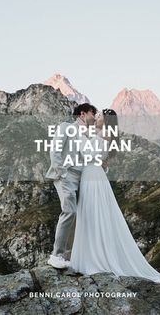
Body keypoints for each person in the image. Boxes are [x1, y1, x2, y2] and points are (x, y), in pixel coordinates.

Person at [69, 109, 160, 288]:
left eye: (99, 117)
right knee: (91, 216)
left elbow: (90, 156)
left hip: (92, 178)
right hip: (93, 176)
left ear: (106, 120)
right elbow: (102, 162)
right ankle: (91, 256)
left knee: (94, 215)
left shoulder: (104, 133)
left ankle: (95, 259)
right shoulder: (103, 134)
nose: (96, 119)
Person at [45, 103, 97, 269]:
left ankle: (67, 257)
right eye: (92, 113)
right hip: (66, 176)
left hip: (81, 179)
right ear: (82, 114)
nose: (94, 117)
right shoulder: (66, 127)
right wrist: (62, 173)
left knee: (76, 216)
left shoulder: (89, 135)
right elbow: (55, 150)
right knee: (69, 211)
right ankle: (56, 255)